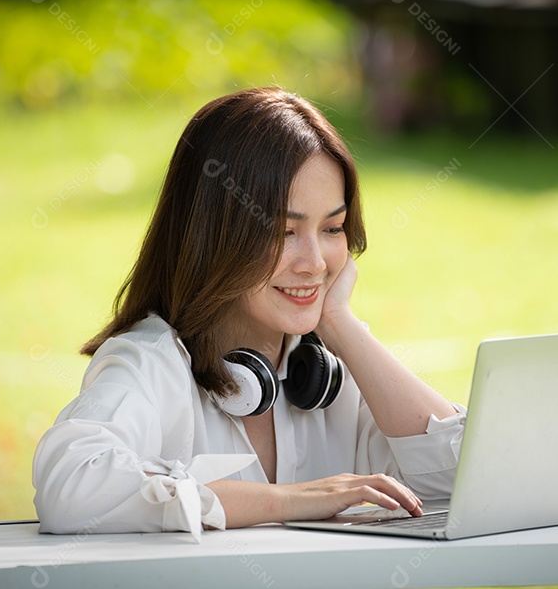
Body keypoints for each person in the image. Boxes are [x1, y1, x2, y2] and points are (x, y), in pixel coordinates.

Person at [32, 87, 466, 539]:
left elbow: (466, 482)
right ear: (214, 234)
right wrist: (293, 500)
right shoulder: (152, 363)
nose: (315, 262)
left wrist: (341, 325)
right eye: (284, 231)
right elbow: (70, 489)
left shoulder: (335, 372)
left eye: (332, 228)